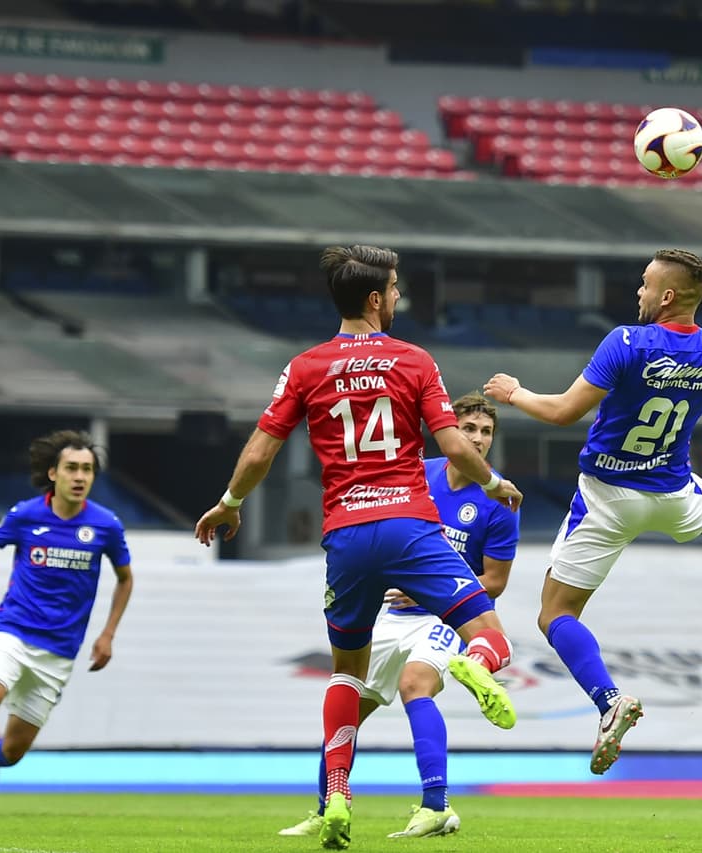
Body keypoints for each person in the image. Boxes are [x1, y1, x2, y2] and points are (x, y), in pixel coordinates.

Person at [195, 245, 523, 851]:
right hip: (410, 526)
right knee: (492, 636)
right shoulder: (414, 359)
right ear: (375, 299)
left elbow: (261, 449)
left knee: (347, 672)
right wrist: (493, 483)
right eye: (394, 289)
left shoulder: (305, 367)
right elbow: (453, 446)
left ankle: (338, 795)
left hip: (345, 535)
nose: (398, 297)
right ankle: (473, 666)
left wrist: (230, 503)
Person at [483, 248, 702, 776]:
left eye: (646, 284)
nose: (639, 291)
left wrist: (514, 393)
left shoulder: (626, 342)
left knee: (555, 614)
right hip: (673, 492)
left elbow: (562, 412)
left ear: (667, 296)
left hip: (607, 497)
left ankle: (610, 702)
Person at [278, 392, 521, 840]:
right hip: (392, 614)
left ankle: (436, 805)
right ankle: (326, 807)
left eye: (486, 432)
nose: (477, 438)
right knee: (350, 705)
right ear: (450, 431)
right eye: (468, 428)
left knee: (414, 685)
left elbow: (495, 580)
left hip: (444, 616)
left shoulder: (499, 500)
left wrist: (428, 588)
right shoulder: (418, 474)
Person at [0, 430, 134, 818]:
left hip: (59, 650)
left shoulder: (106, 525)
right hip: (13, 630)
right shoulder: (26, 514)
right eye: (72, 468)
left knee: (14, 751)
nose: (80, 476)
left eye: (87, 469)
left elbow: (125, 578)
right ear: (53, 473)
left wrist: (108, 634)